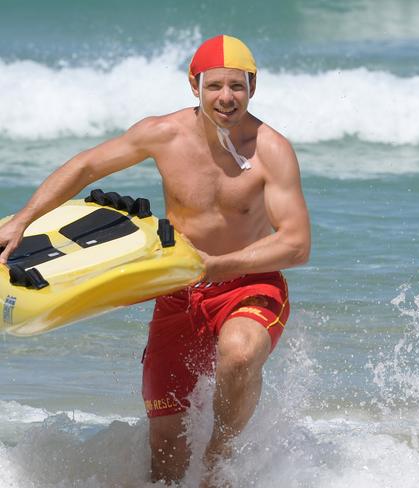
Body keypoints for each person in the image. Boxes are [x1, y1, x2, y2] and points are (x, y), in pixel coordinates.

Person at [0, 34, 311, 484]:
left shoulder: (271, 150)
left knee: (240, 354)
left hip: (249, 282)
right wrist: (24, 220)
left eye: (237, 87)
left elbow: (296, 244)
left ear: (253, 86)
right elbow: (87, 166)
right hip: (180, 292)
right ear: (194, 85)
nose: (226, 98)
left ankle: (219, 459)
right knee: (164, 460)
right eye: (214, 86)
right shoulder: (163, 134)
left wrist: (215, 266)